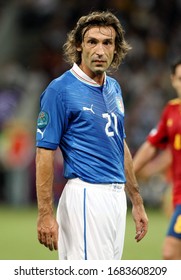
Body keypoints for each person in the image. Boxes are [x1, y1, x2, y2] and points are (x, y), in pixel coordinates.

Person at [35, 10, 148, 260]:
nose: (100, 50)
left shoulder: (114, 87)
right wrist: (45, 213)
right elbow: (44, 152)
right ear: (78, 45)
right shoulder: (60, 90)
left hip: (116, 200)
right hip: (87, 197)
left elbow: (120, 144)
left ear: (116, 49)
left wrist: (136, 200)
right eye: (92, 42)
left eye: (107, 42)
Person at [133, 57, 181, 260]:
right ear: (172, 80)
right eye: (180, 78)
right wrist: (126, 174)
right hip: (178, 193)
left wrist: (152, 170)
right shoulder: (171, 111)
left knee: (170, 252)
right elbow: (151, 145)